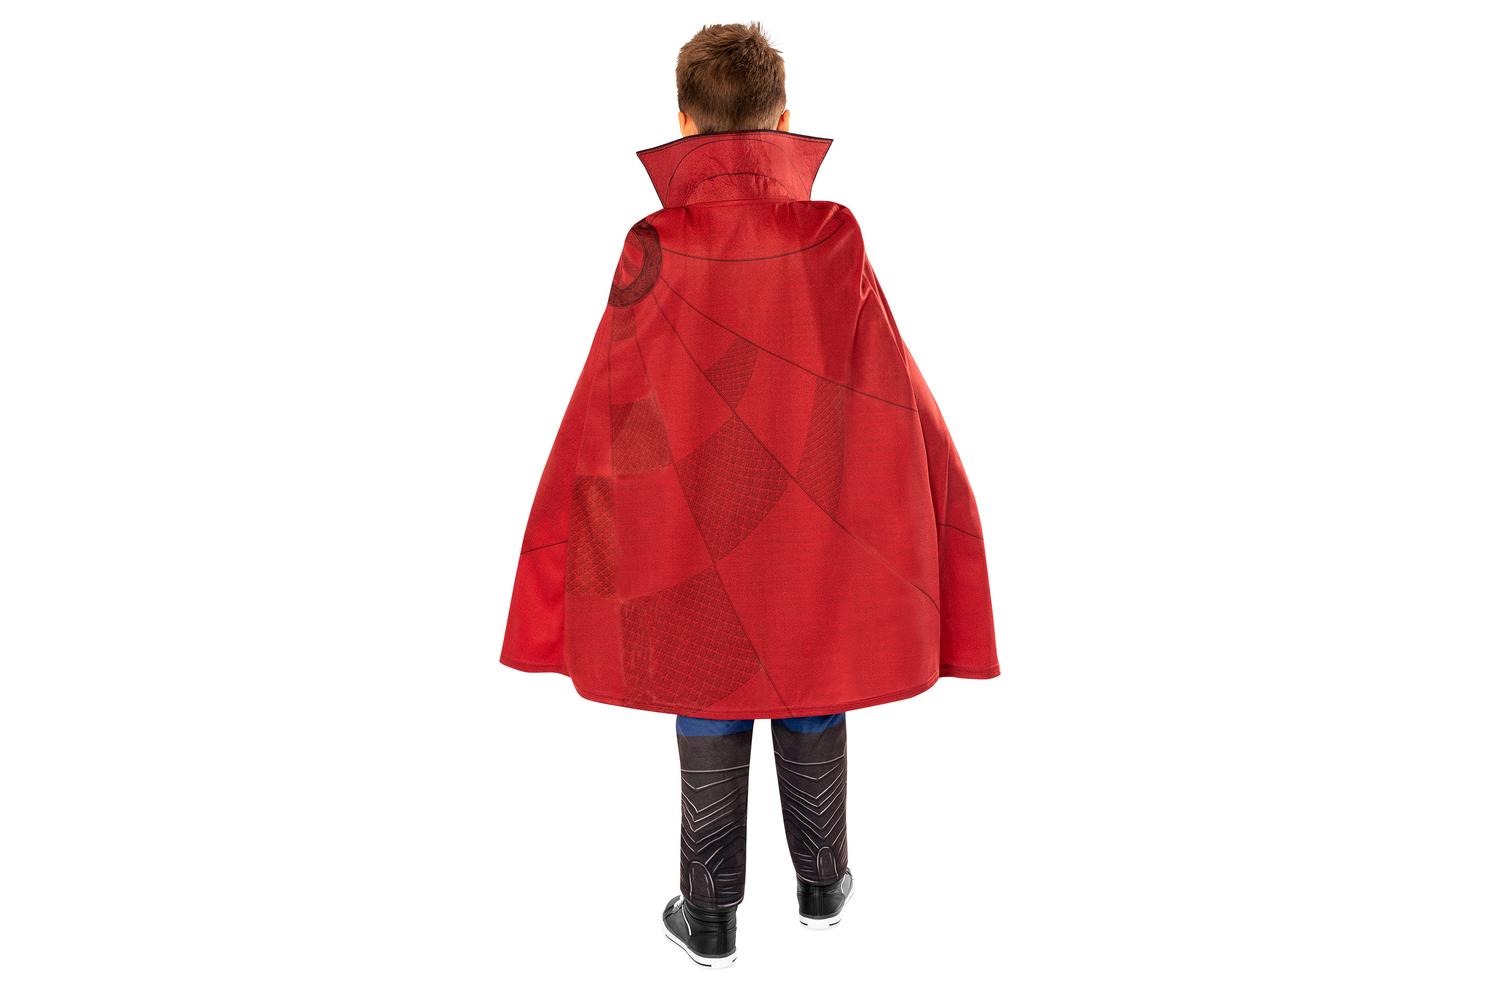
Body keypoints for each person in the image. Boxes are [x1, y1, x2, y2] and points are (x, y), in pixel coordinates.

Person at [499, 22, 999, 968]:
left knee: (708, 670)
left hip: (692, 512)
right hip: (814, 514)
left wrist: (581, 515)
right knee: (810, 652)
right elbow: (885, 379)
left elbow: (613, 397)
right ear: (784, 119)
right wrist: (937, 480)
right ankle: (821, 885)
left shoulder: (652, 245)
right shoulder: (833, 238)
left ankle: (710, 915)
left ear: (684, 122)